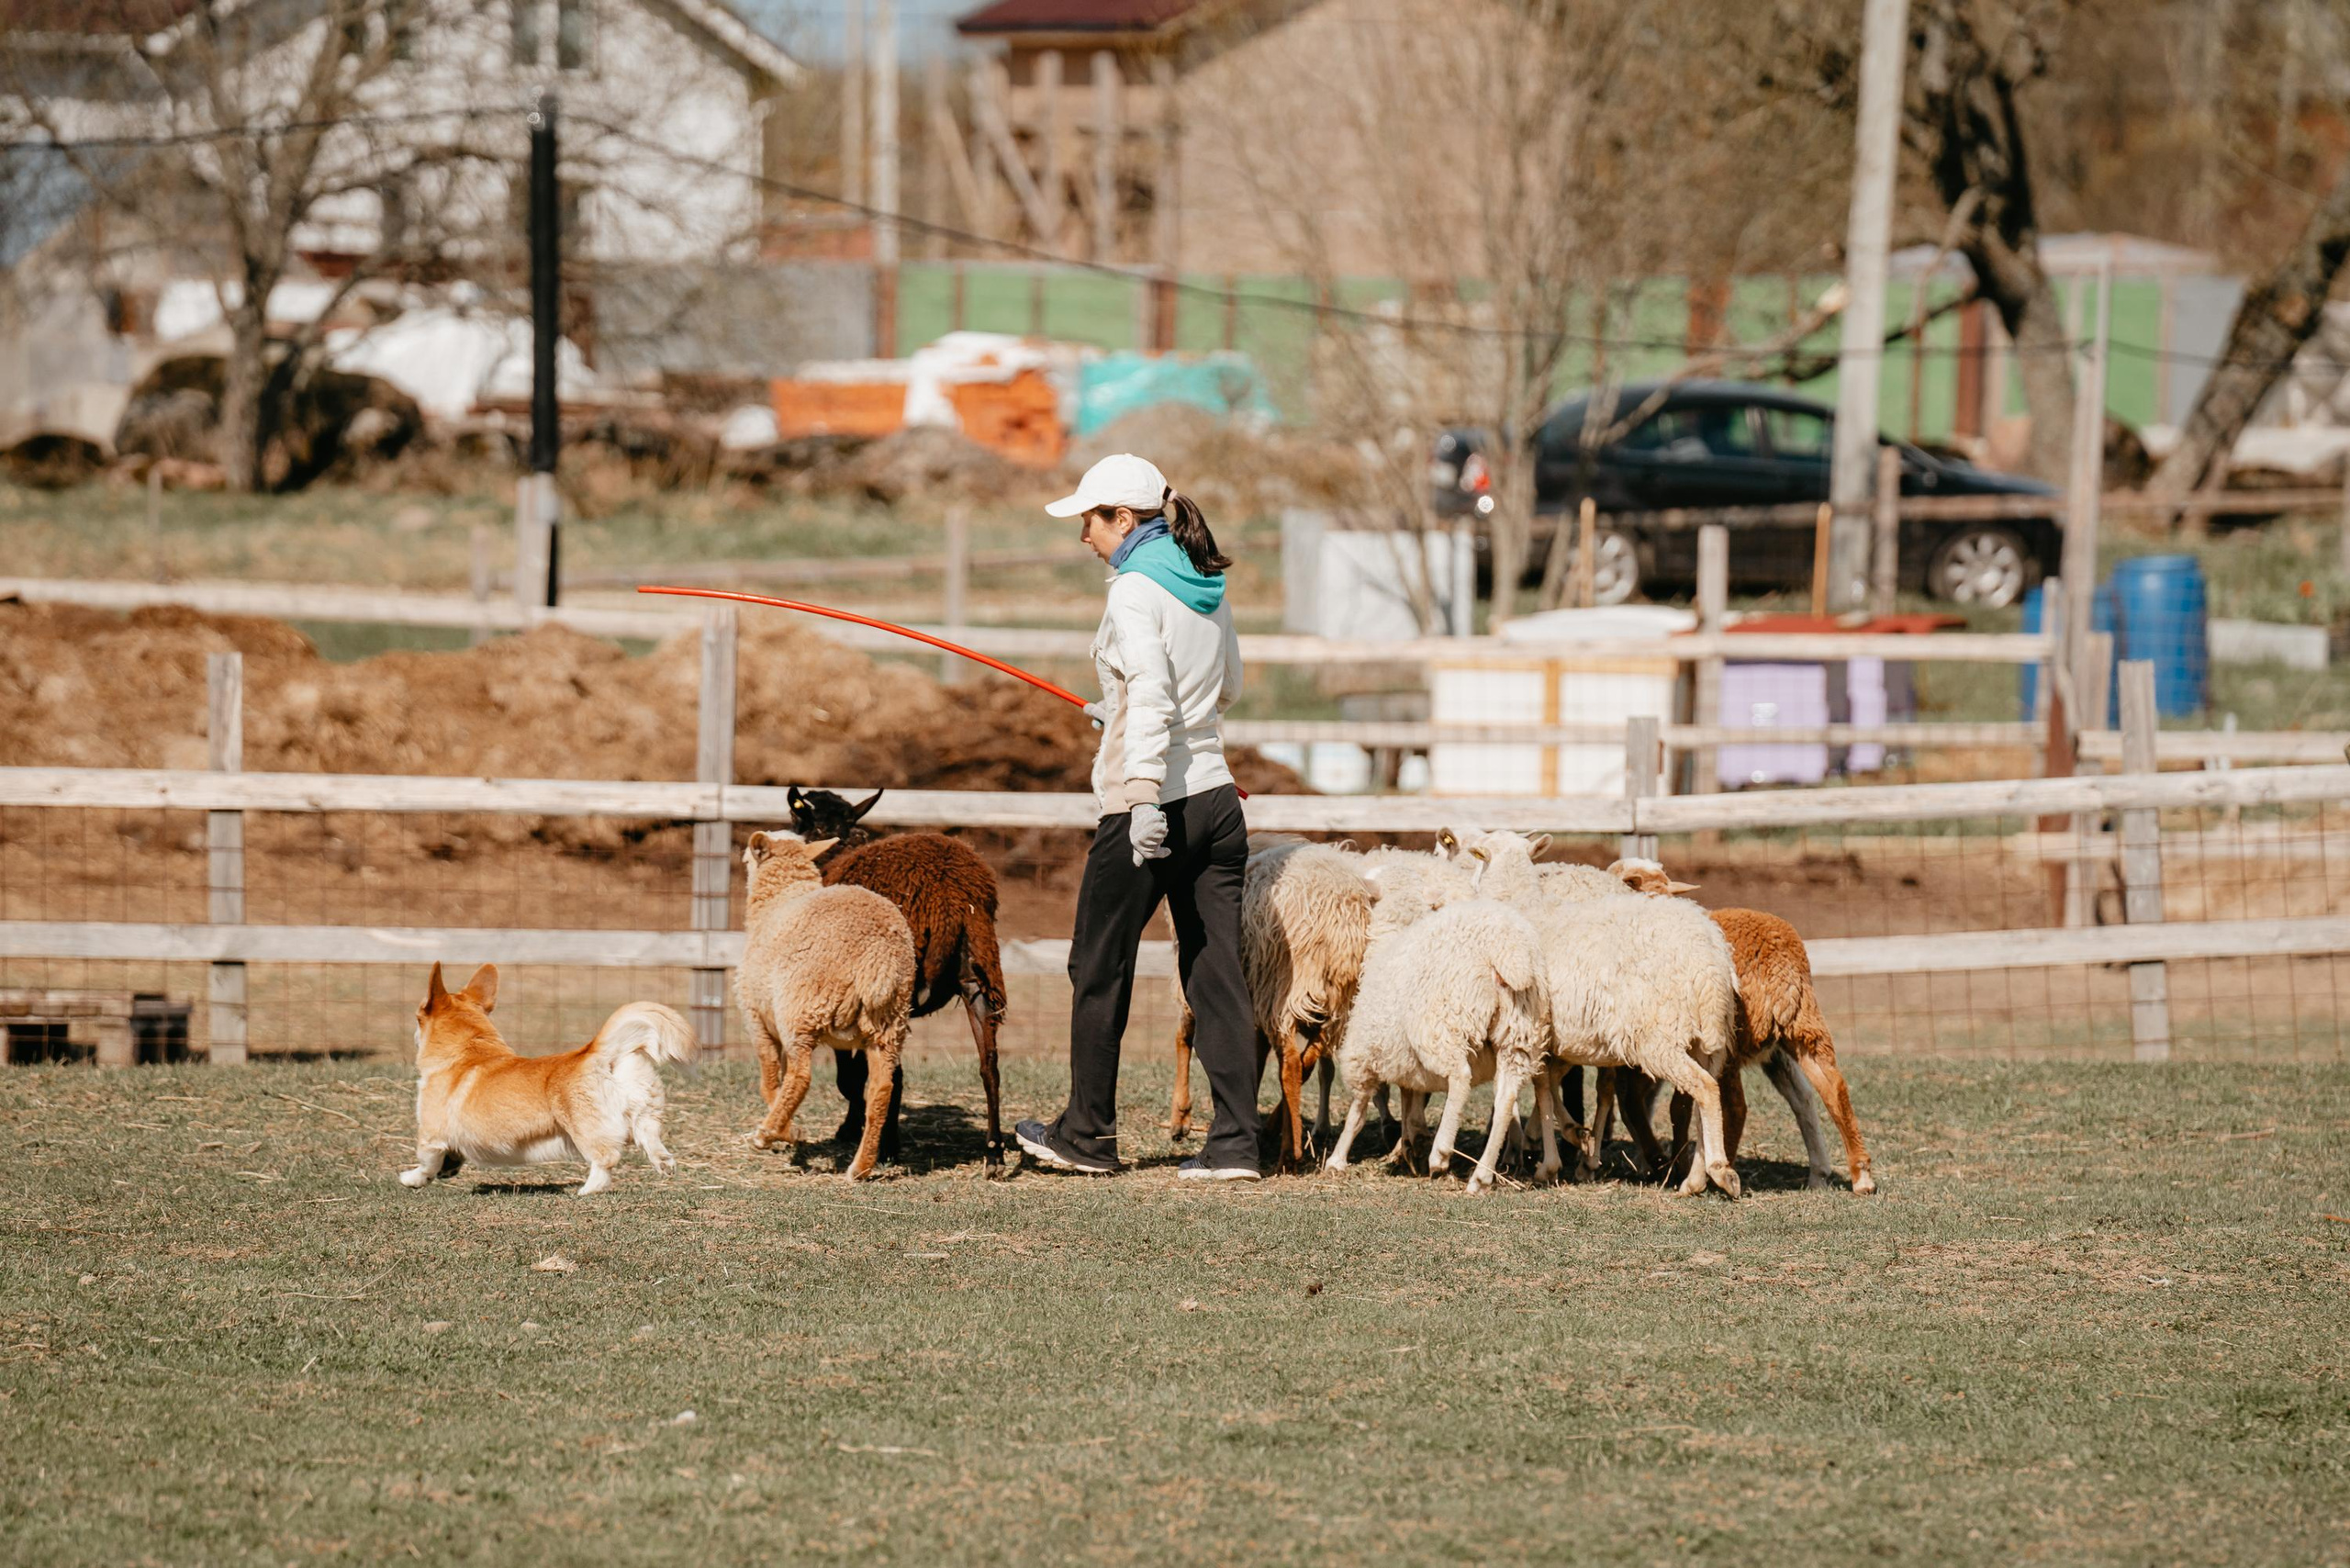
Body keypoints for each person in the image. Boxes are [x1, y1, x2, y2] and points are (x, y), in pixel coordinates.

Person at [1013, 454, 1262, 1181]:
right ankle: (1237, 1145)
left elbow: (1154, 689)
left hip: (1150, 807)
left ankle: (1087, 1136)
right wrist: (1118, 712)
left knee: (1097, 963)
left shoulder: (1132, 589)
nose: (1083, 536)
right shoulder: (1206, 579)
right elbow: (1227, 687)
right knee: (1215, 971)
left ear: (1124, 519)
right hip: (1217, 801)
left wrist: (1145, 787)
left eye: (1090, 520)